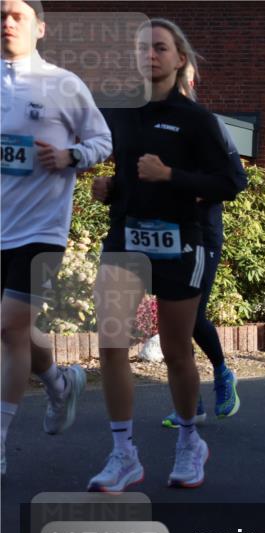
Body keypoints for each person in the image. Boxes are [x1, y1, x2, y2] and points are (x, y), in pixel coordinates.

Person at [87, 18, 242, 492]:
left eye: (159, 48)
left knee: (176, 349)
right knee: (111, 344)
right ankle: (123, 453)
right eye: (142, 48)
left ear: (179, 59)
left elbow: (231, 182)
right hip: (126, 237)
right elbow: (126, 172)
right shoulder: (120, 113)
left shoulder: (197, 120)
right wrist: (109, 188)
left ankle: (190, 440)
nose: (149, 55)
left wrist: (171, 175)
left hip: (181, 242)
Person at [1, 0, 112, 475]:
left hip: (41, 228)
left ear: (40, 28)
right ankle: (59, 382)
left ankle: (0, 440)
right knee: (16, 328)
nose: (7, 23)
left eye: (17, 15)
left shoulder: (62, 84)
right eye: (1, 15)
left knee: (9, 328)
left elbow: (103, 140)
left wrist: (72, 157)